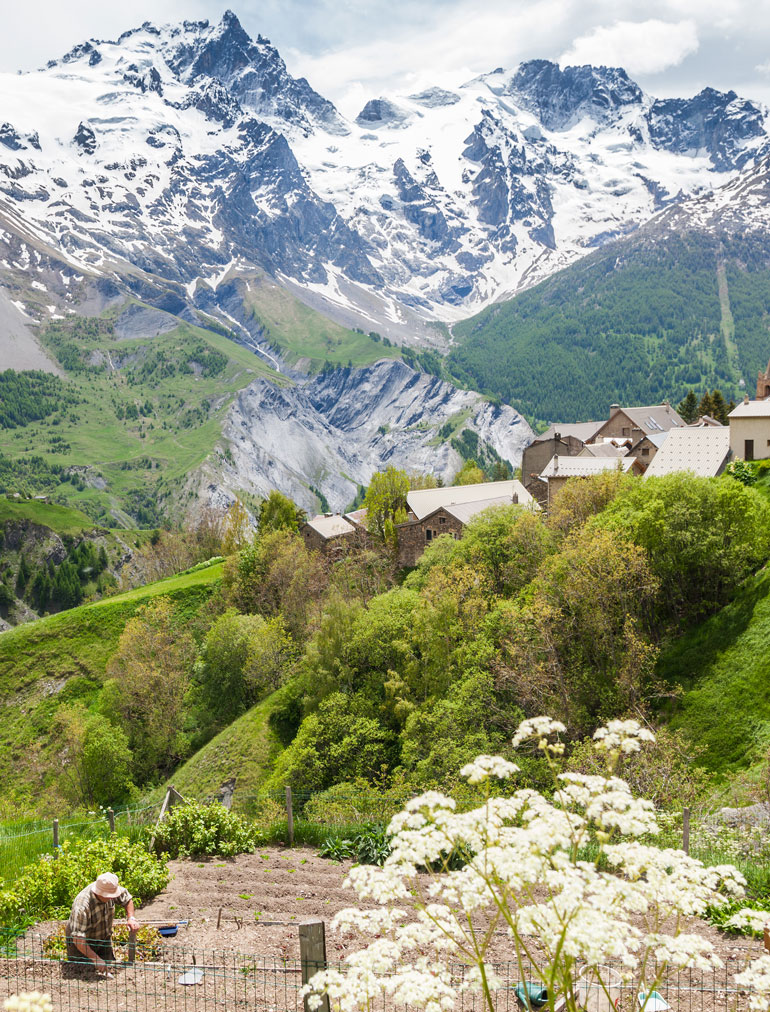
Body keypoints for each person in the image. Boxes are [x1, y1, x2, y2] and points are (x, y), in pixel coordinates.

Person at [65, 872, 140, 974]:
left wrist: (131, 918)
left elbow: (127, 899)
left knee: (109, 969)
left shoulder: (109, 887)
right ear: (99, 893)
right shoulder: (82, 906)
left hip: (103, 938)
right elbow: (78, 939)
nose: (112, 898)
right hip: (81, 945)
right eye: (109, 896)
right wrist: (95, 959)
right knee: (84, 975)